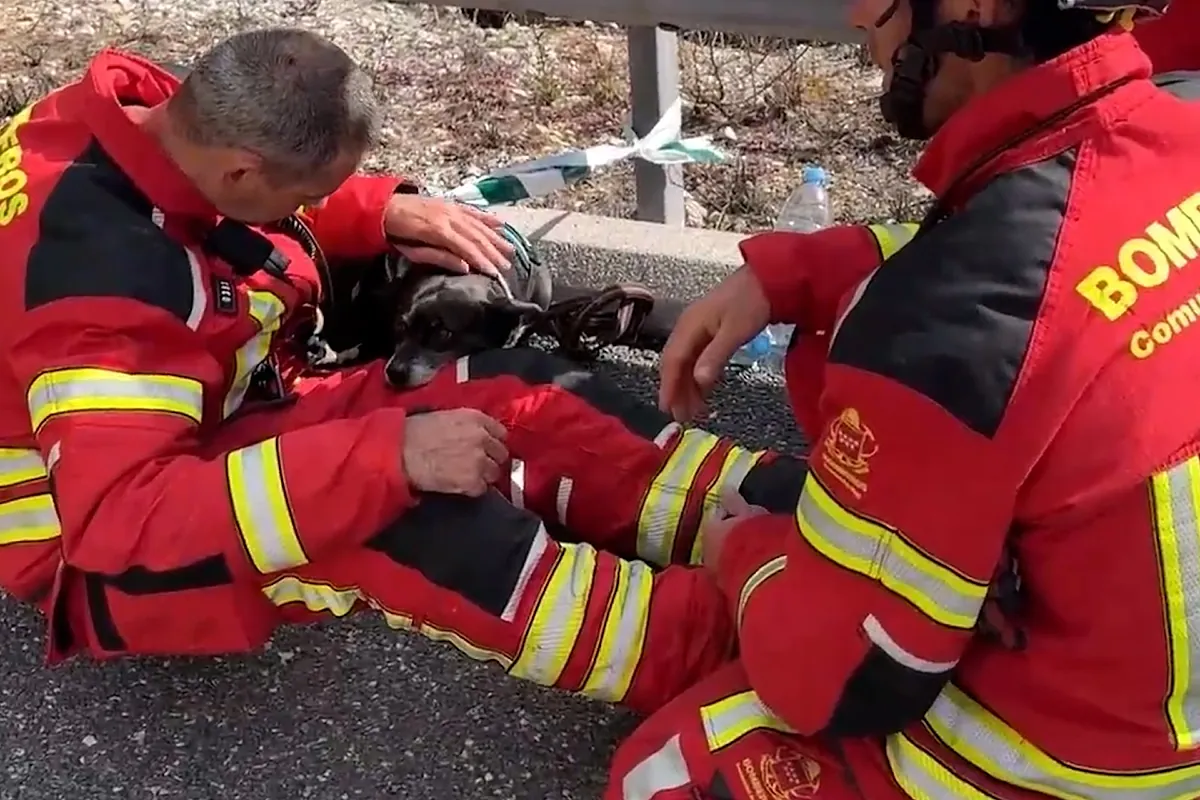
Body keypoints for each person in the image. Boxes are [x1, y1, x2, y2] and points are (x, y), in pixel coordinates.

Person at [0, 30, 812, 719]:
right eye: (312, 193)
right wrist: (389, 459)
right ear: (244, 171)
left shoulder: (141, 122)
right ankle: (763, 646)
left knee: (515, 389)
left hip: (223, 405)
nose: (318, 204)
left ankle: (803, 513)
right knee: (408, 516)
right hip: (101, 533)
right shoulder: (100, 291)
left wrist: (374, 209)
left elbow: (234, 191)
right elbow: (120, 523)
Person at [629, 0, 1200, 798]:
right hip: (1154, 682)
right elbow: (1061, 273)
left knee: (665, 772)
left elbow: (844, 682)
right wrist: (796, 271)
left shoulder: (955, 320)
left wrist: (744, 561)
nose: (858, 24)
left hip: (1091, 769)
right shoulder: (1176, 133)